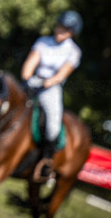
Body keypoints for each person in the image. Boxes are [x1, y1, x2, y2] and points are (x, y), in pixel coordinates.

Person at [20, 9, 83, 182]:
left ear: (72, 33)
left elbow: (62, 74)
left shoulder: (73, 52)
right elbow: (29, 64)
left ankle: (46, 161)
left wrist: (46, 83)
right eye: (59, 27)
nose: (59, 31)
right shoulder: (43, 42)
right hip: (33, 83)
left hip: (51, 89)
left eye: (65, 29)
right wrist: (28, 78)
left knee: (53, 125)